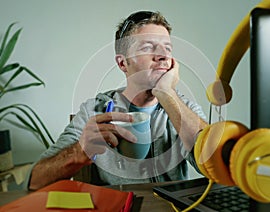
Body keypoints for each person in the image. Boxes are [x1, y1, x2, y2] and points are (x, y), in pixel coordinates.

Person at [28, 11, 208, 190]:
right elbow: (35, 180)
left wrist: (167, 93)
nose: (162, 56)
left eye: (167, 48)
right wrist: (79, 152)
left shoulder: (182, 109)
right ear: (123, 63)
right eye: (147, 48)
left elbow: (214, 162)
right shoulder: (95, 111)